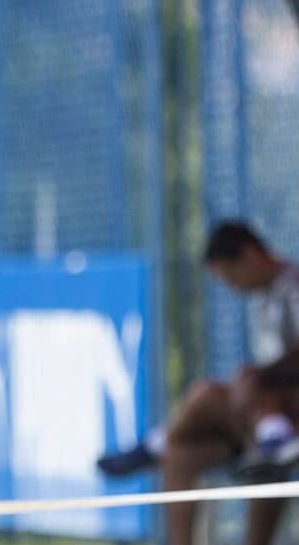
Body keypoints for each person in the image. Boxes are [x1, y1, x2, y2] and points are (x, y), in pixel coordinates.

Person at [96, 220, 299, 545]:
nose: (232, 288)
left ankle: (157, 441)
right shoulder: (265, 297)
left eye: (230, 276)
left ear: (250, 255)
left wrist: (261, 375)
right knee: (179, 455)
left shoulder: (293, 286)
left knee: (207, 393)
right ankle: (256, 439)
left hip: (287, 410)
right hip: (261, 419)